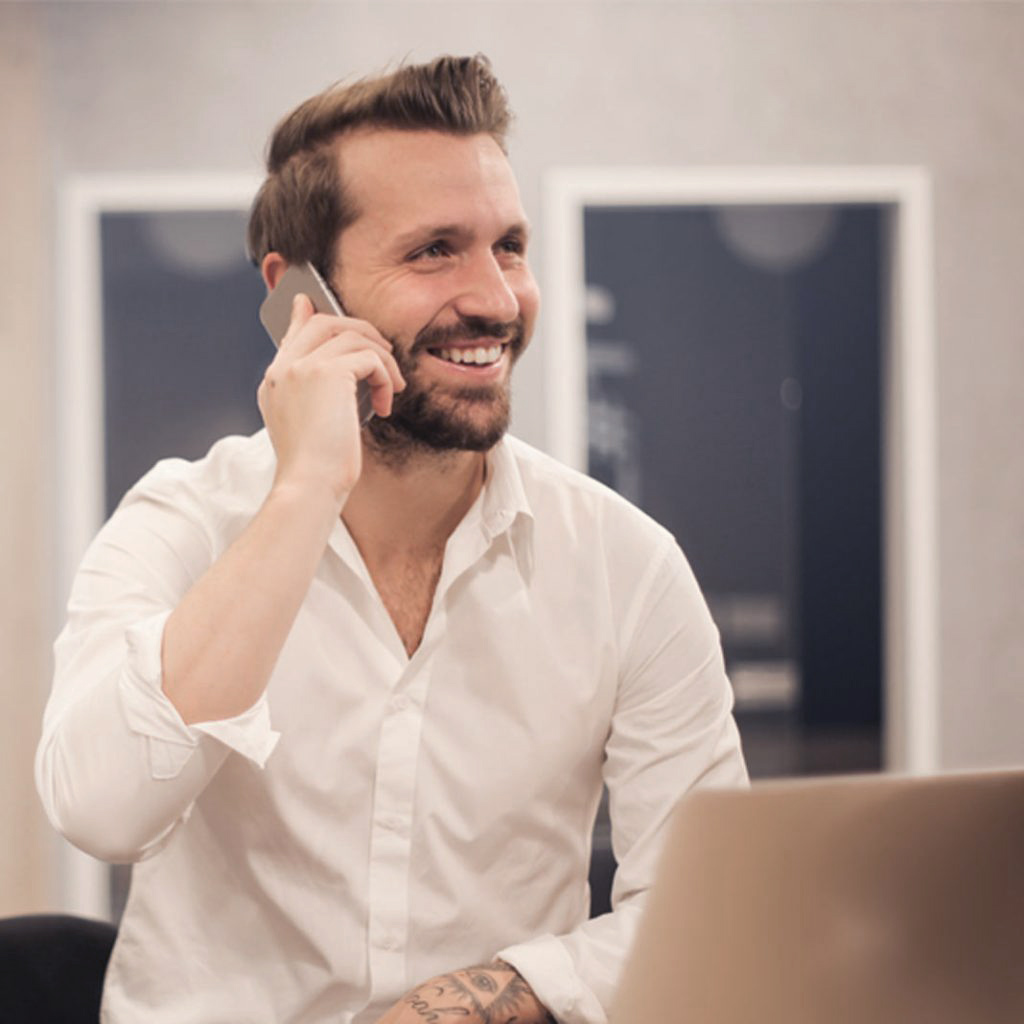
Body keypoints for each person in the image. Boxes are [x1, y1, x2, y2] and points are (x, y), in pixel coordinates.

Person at [36, 55, 747, 1024]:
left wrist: (457, 1003)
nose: (495, 298)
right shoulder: (180, 520)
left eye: (509, 245)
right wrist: (305, 491)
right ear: (301, 299)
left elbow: (697, 911)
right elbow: (103, 812)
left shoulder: (625, 564)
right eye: (434, 251)